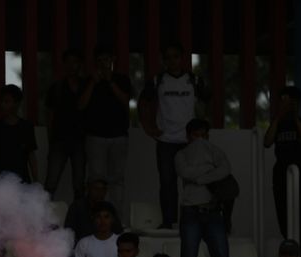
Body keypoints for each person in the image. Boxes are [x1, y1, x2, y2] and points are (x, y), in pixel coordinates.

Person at [174, 119, 251, 257]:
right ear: (188, 136)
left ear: (208, 136)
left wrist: (199, 178)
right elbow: (184, 172)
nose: (200, 140)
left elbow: (225, 170)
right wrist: (210, 170)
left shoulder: (215, 151)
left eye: (203, 135)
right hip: (190, 212)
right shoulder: (181, 154)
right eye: (196, 135)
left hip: (213, 212)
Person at [138, 42, 208, 231]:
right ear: (163, 60)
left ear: (182, 58)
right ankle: (169, 222)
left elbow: (205, 106)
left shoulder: (194, 80)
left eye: (176, 56)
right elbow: (142, 102)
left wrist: (201, 134)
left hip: (189, 143)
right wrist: (148, 127)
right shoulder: (158, 80)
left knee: (193, 184)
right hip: (166, 141)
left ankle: (190, 221)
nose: (172, 60)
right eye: (168, 57)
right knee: (167, 183)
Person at [78, 46, 133, 213]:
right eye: (100, 60)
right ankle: (95, 215)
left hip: (118, 136)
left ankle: (115, 217)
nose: (104, 63)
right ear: (96, 62)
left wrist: (110, 81)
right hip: (95, 136)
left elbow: (125, 101)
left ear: (113, 60)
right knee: (96, 179)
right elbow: (80, 105)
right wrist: (93, 83)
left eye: (107, 59)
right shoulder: (88, 81)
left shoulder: (122, 79)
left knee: (117, 179)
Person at [44, 49, 87, 201]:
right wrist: (51, 141)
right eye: (68, 62)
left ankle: (79, 218)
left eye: (74, 62)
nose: (71, 66)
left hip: (80, 140)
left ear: (80, 64)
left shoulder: (87, 86)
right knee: (51, 182)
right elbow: (50, 116)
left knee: (79, 184)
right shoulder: (56, 88)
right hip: (60, 139)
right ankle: (42, 217)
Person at [262, 85, 301, 238]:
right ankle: (287, 240)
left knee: (299, 209)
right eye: (282, 102)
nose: (284, 105)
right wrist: (279, 117)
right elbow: (267, 142)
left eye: (288, 102)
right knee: (282, 208)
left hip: (299, 171)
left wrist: (294, 116)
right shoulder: (278, 124)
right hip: (280, 171)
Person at [0, 84, 37, 183]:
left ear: (17, 103)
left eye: (7, 102)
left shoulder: (26, 127)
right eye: (2, 101)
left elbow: (31, 156)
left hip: (22, 179)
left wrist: (36, 181)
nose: (3, 105)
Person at [64, 177, 122, 241]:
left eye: (103, 189)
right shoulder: (77, 207)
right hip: (82, 246)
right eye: (96, 189)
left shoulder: (109, 207)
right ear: (88, 189)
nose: (100, 192)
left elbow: (118, 230)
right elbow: (68, 232)